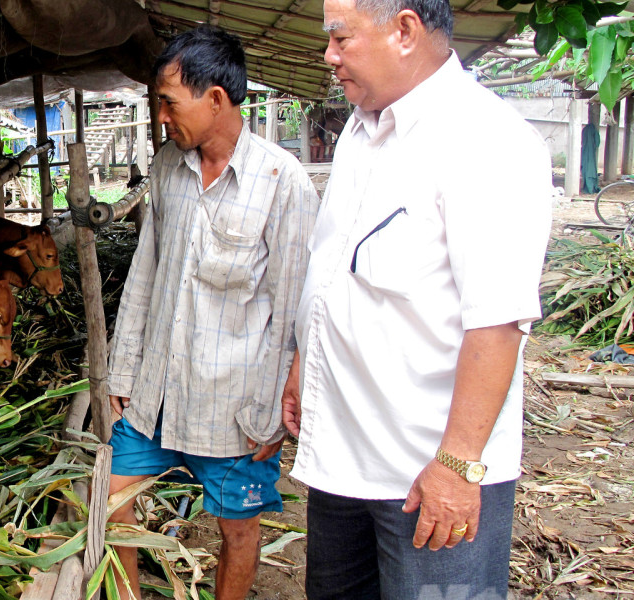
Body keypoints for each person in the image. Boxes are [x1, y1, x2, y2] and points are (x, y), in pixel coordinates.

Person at [282, 0, 551, 597]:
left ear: (404, 30)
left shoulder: (486, 142)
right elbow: (333, 269)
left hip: (426, 473)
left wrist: (457, 466)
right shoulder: (360, 130)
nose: (328, 56)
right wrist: (306, 362)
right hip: (344, 459)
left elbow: (497, 324)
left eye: (340, 38)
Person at [106, 25, 319, 600]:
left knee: (239, 530)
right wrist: (122, 373)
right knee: (111, 501)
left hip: (235, 409)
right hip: (157, 392)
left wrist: (278, 408)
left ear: (216, 99)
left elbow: (295, 308)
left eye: (170, 103)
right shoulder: (167, 172)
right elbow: (143, 278)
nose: (162, 118)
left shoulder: (283, 182)